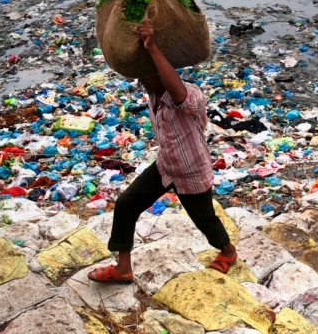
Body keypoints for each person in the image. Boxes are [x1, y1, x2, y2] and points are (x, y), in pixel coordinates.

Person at [88, 19, 237, 283]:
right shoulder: (154, 96)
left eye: (146, 74)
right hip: (166, 166)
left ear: (162, 70)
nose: (141, 81)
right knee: (125, 205)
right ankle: (123, 268)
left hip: (192, 172)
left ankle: (228, 251)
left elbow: (179, 94)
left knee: (205, 221)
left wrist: (154, 49)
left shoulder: (190, 94)